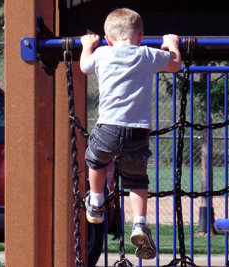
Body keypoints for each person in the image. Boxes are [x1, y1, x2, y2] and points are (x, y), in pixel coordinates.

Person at [80, 7, 182, 260]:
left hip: (108, 128)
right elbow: (176, 65)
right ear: (140, 36)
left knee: (95, 160)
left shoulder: (102, 53)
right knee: (137, 180)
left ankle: (96, 201)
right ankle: (139, 223)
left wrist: (87, 45)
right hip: (137, 132)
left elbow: (84, 66)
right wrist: (171, 44)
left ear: (108, 39)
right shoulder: (147, 54)